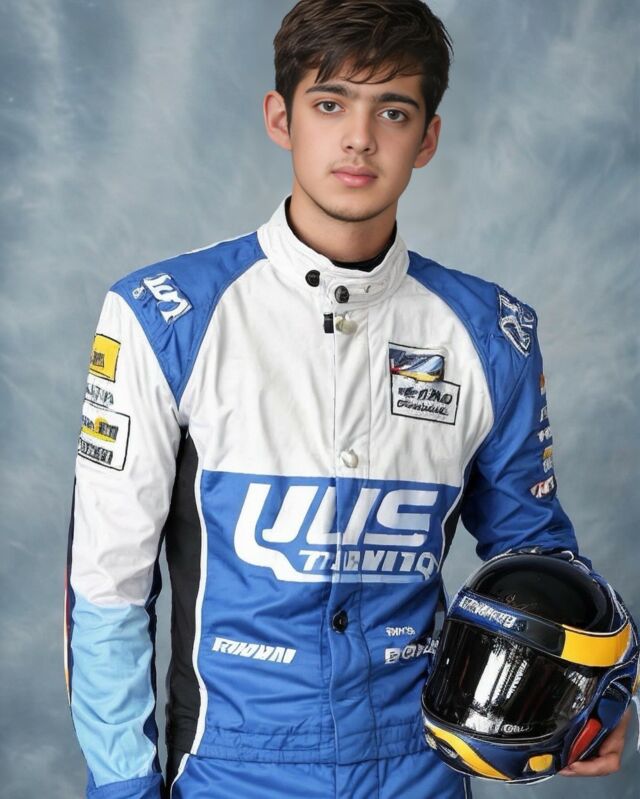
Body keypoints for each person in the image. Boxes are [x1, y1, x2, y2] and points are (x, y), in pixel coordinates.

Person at [64, 1, 633, 797]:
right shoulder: (164, 317)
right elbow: (107, 590)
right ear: (281, 118)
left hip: (419, 769)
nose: (360, 137)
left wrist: (592, 696)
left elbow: (534, 558)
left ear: (427, 137)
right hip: (229, 770)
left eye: (392, 111)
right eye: (330, 104)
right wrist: (123, 786)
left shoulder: (490, 333)